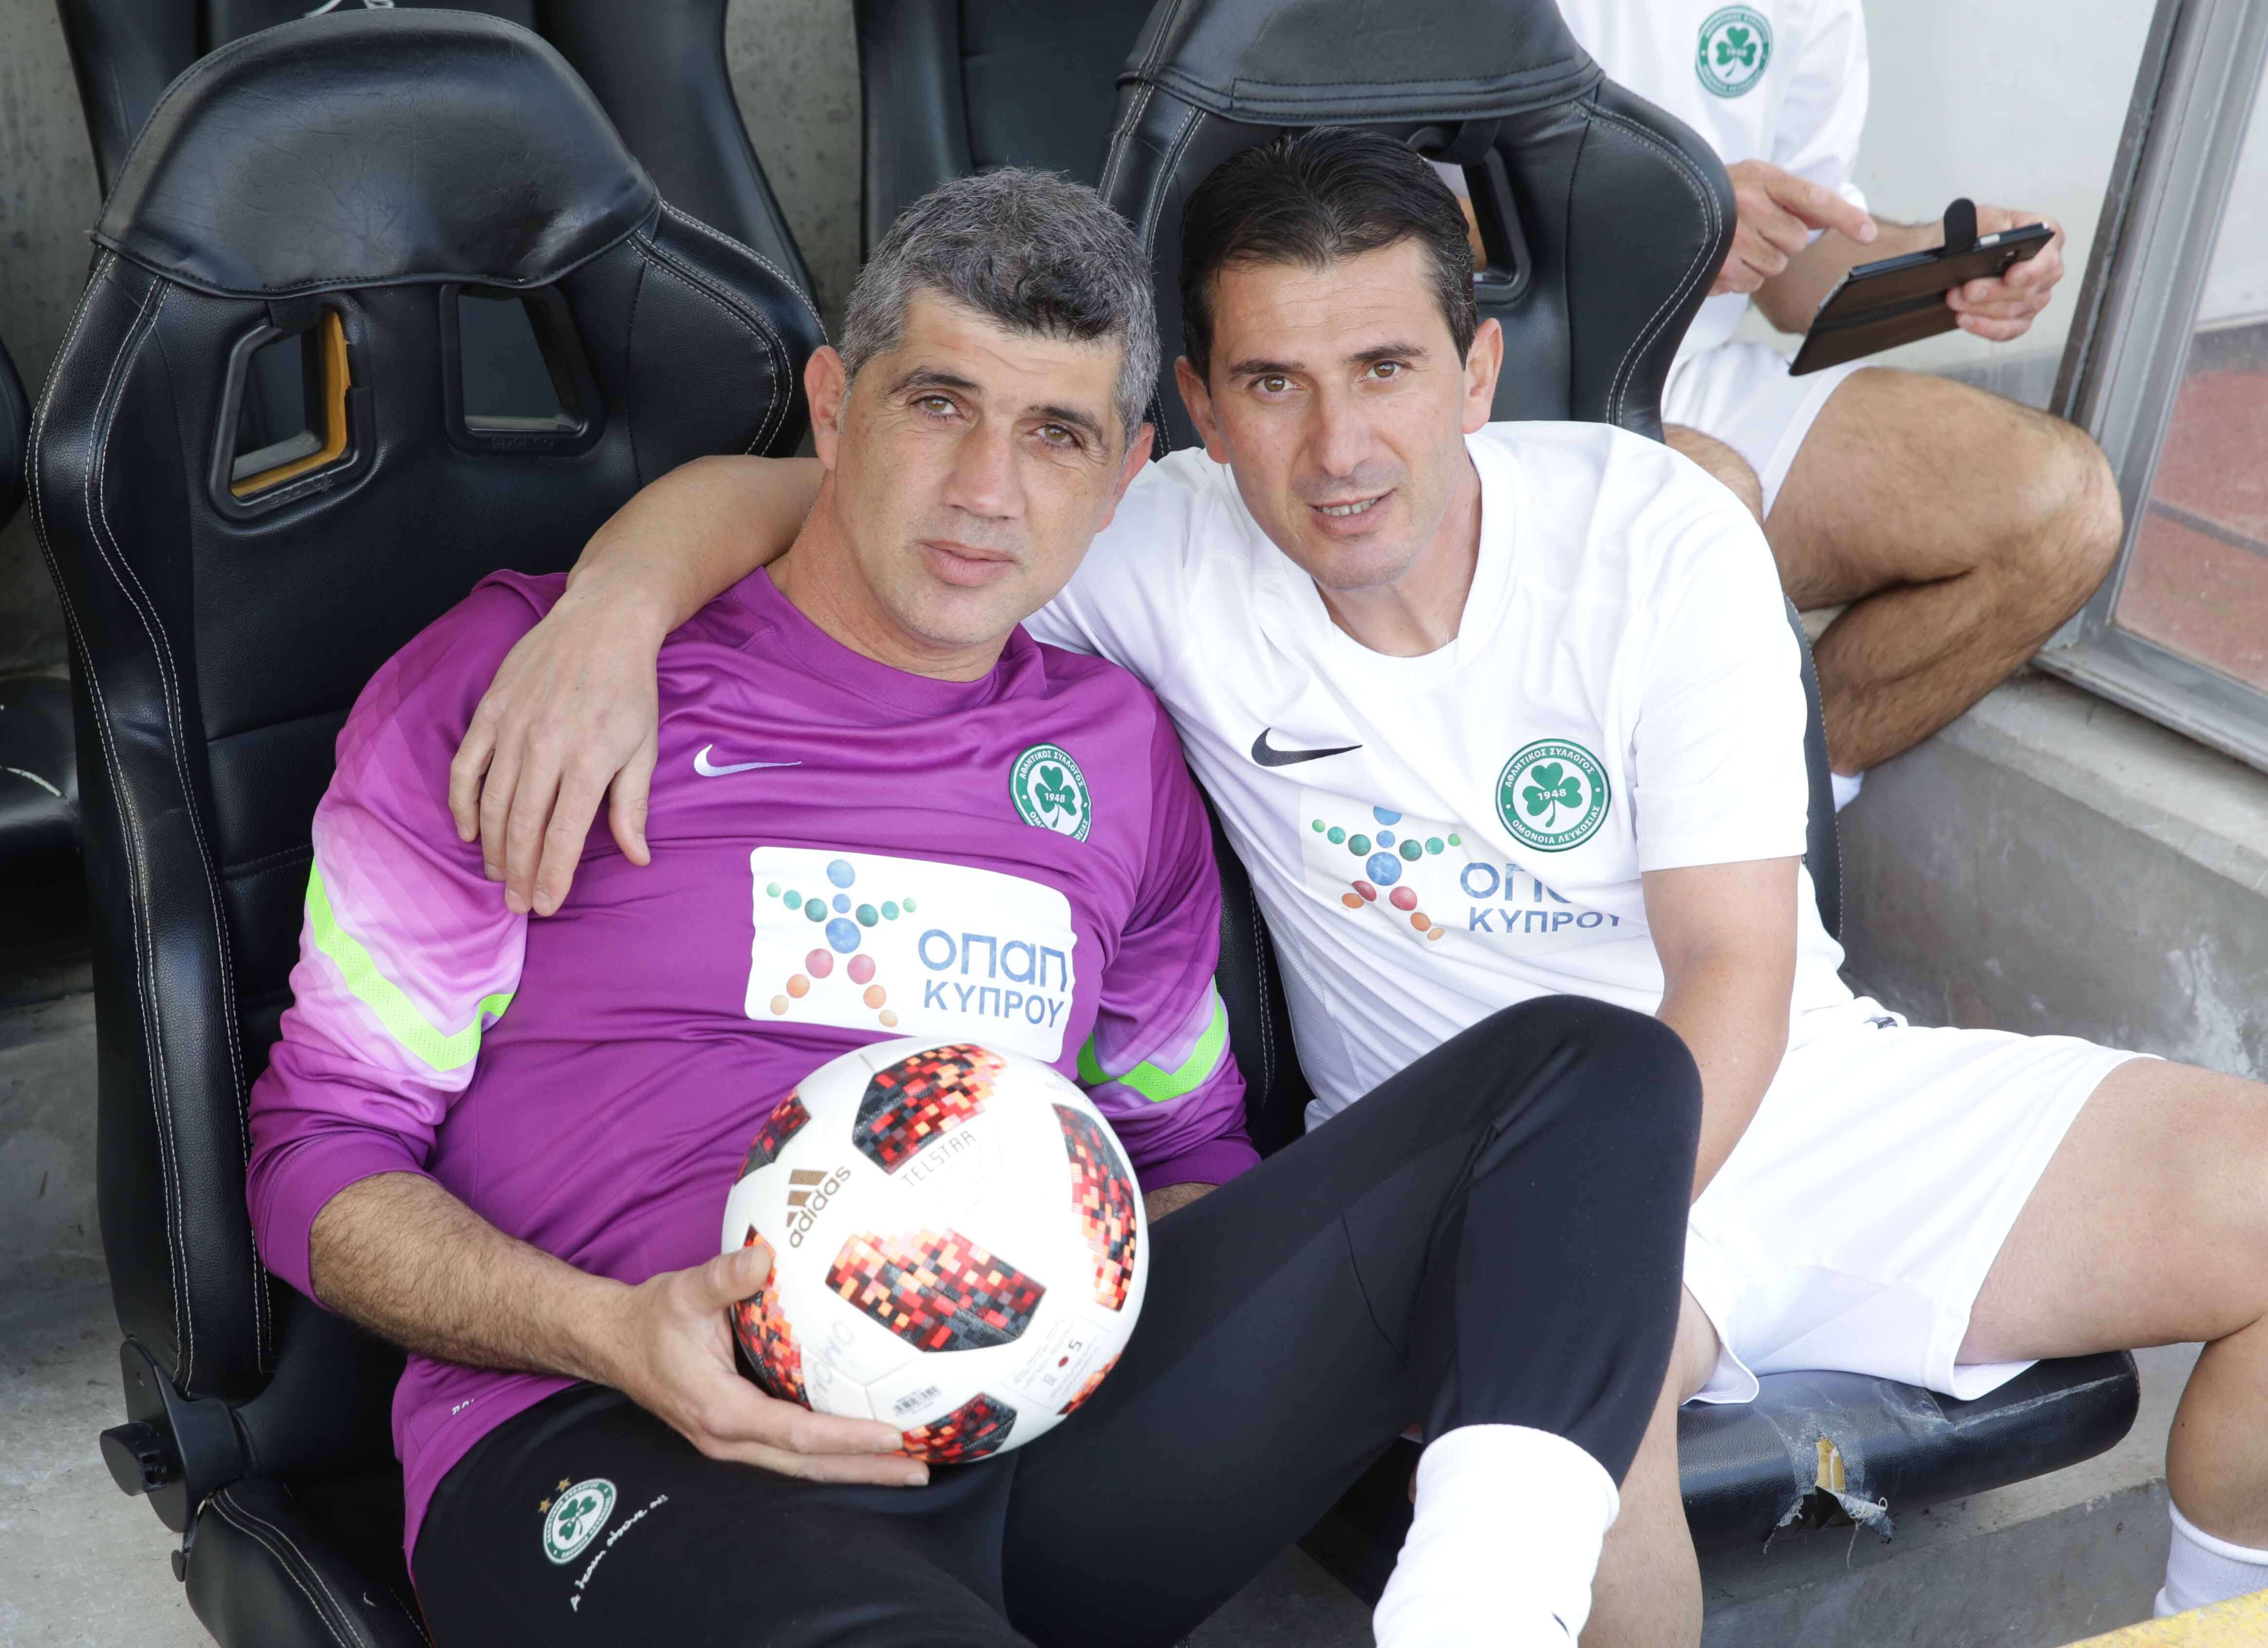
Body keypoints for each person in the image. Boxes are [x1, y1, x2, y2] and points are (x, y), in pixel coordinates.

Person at [457, 131, 2268, 1645]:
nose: (1335, 450)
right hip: (1473, 1175)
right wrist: (613, 611)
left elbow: (1732, 967)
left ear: (1475, 373)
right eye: (1272, 383)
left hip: (1777, 1090)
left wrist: (1617, 1224)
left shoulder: (1653, 536)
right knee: (1590, 1482)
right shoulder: (1146, 543)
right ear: (1193, 410)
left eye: (1386, 370)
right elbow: (812, 492)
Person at [245, 167, 1700, 1648]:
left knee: (1597, 1072)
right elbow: (318, 1158)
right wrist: (610, 1335)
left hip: (1052, 1442)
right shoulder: (539, 689)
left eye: (1055, 434)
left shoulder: (1115, 753)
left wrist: (1212, 1323)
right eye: (939, 405)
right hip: (631, 1439)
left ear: (1125, 476)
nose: (988, 491)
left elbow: (1181, 1148)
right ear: (834, 408)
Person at [1531, 0, 2122, 810]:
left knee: (2063, 511)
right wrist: (1659, 215)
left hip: (1683, 372)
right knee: (1705, 510)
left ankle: (1780, 823)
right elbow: (1363, 208)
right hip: (1471, 376)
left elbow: (1796, 274)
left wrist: (1940, 264)